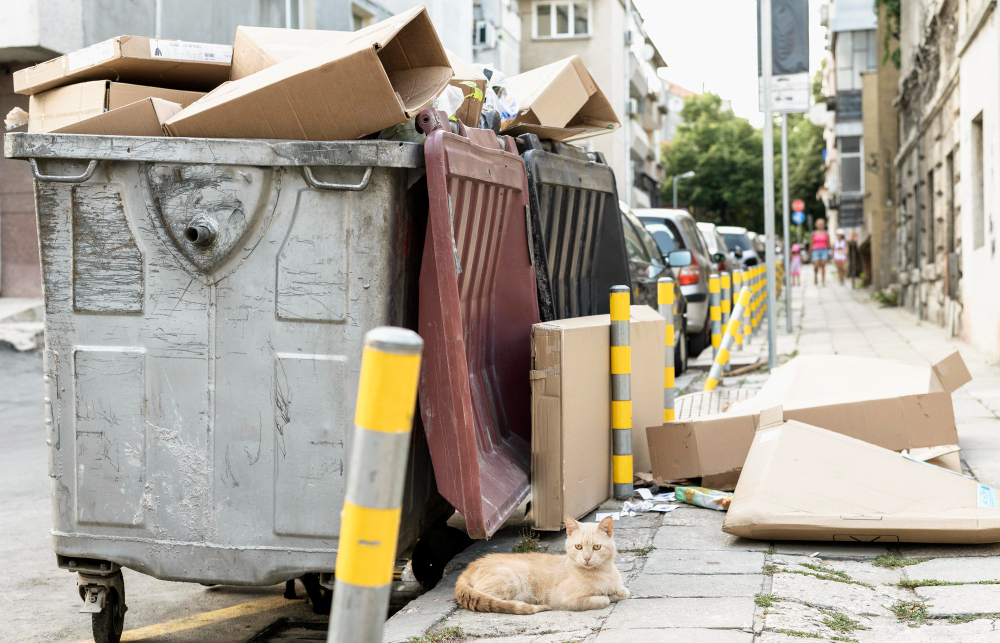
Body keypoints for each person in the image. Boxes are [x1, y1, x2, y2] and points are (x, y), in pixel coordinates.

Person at [810, 219, 831, 286]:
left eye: (822, 224)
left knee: (823, 265)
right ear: (816, 225)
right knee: (816, 265)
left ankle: (823, 280)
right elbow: (811, 244)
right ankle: (815, 275)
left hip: (824, 250)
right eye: (819, 224)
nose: (820, 225)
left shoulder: (826, 233)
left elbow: (828, 243)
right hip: (815, 250)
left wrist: (832, 251)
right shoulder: (813, 233)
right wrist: (809, 254)